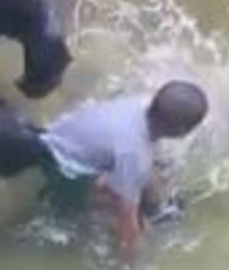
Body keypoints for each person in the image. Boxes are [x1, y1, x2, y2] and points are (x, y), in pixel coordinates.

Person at [39, 81, 209, 260]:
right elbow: (128, 228)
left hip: (58, 135)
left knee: (152, 175)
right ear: (182, 132)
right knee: (136, 218)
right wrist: (130, 259)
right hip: (61, 164)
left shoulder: (135, 104)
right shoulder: (134, 156)